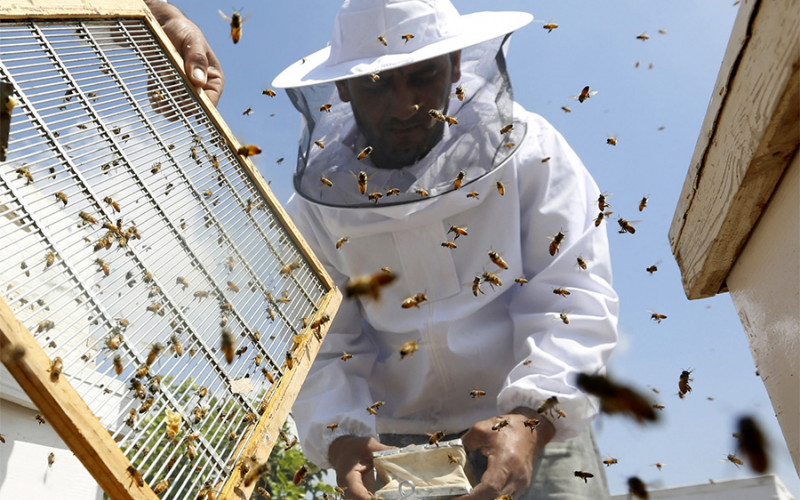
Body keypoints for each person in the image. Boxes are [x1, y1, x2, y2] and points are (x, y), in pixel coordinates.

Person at [153, 1, 618, 498]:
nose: (403, 106)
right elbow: (325, 341)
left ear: (455, 65)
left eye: (422, 76)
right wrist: (342, 438)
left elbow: (572, 293)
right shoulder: (316, 207)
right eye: (376, 84)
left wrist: (532, 418)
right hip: (397, 451)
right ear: (343, 88)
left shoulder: (533, 151)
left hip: (535, 427)